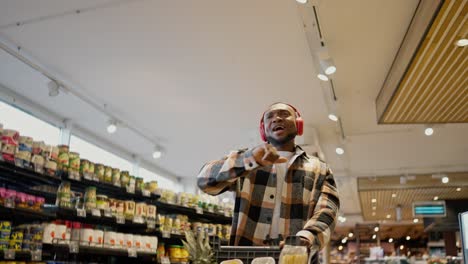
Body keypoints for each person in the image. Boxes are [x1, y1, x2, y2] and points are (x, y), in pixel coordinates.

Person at [197, 102, 340, 260]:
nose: (277, 119)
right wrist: (247, 161)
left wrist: (306, 238)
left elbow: (328, 211)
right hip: (246, 259)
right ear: (263, 130)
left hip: (296, 260)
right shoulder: (246, 161)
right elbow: (205, 181)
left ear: (298, 124)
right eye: (269, 117)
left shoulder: (319, 168)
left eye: (284, 114)